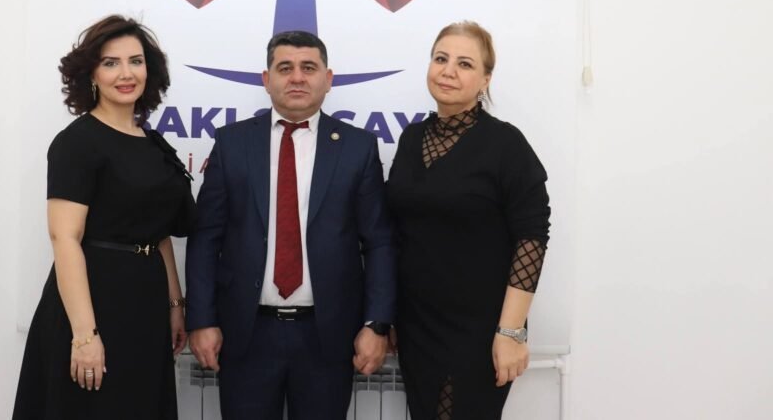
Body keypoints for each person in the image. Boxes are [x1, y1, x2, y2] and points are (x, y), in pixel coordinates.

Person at [185, 30, 396, 419]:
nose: (297, 77)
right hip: (246, 334)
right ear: (267, 80)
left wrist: (376, 324)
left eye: (308, 68)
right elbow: (205, 239)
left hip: (328, 336)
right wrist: (201, 320)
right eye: (285, 68)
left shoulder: (358, 147)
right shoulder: (232, 143)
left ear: (328, 79)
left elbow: (379, 242)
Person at [13, 15, 195, 420]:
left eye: (136, 61)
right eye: (111, 63)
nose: (126, 74)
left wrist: (174, 304)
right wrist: (84, 336)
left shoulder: (153, 144)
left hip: (145, 303)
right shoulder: (77, 143)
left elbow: (159, 233)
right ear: (91, 74)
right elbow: (65, 238)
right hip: (94, 303)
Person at [386, 21, 551, 420]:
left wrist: (511, 332)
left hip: (479, 329)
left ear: (485, 79)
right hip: (416, 324)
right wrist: (389, 313)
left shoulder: (505, 144)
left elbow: (532, 236)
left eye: (464, 64)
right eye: (440, 59)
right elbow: (397, 231)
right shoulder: (411, 139)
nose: (448, 71)